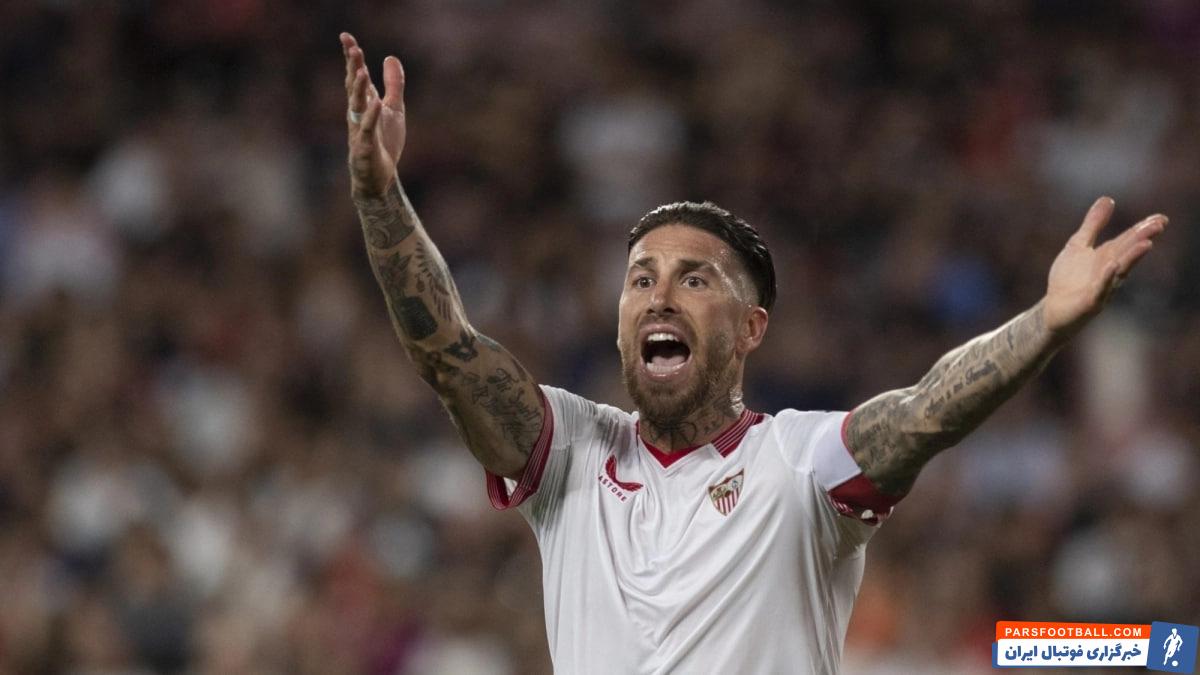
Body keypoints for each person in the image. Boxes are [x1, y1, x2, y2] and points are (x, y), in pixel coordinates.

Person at [338, 32, 1169, 674]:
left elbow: (928, 410)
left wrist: (1046, 321)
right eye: (640, 278)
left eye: (694, 278)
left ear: (751, 328)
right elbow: (448, 350)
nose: (659, 295)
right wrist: (380, 196)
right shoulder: (570, 454)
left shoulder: (800, 463)